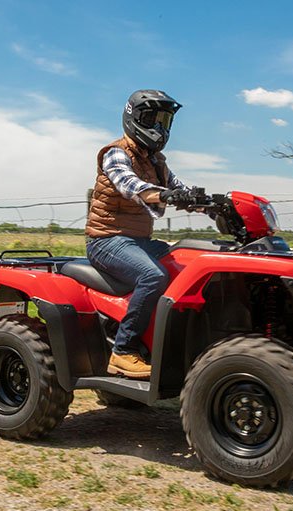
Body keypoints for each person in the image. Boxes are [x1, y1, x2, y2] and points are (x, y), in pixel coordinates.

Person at [85, 89, 193, 380]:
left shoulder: (157, 161)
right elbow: (130, 185)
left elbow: (180, 188)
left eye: (164, 121)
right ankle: (123, 351)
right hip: (106, 241)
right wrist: (166, 195)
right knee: (153, 276)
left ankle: (163, 342)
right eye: (153, 119)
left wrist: (209, 202)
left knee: (190, 261)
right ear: (134, 118)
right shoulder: (116, 153)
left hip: (137, 242)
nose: (159, 128)